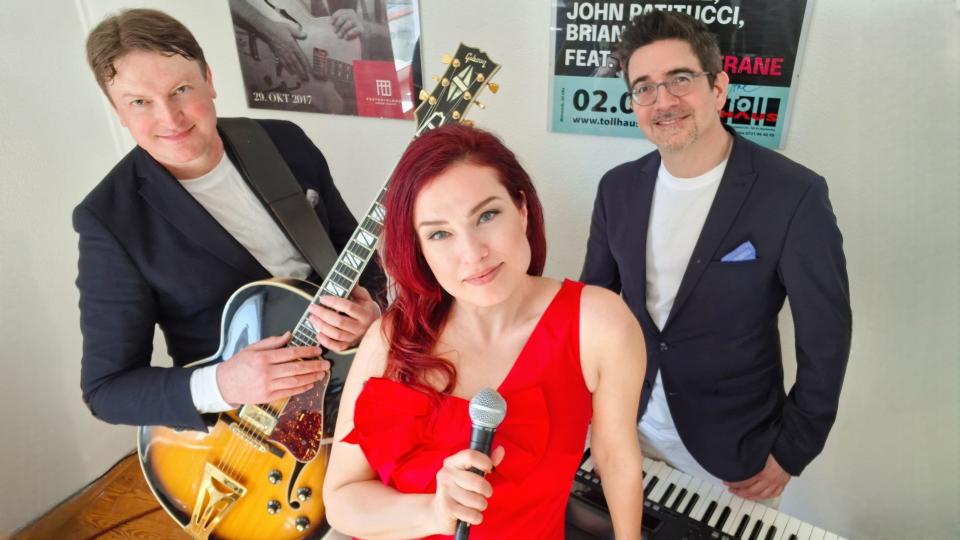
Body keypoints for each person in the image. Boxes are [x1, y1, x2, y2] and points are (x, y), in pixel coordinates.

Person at [322, 125, 646, 538]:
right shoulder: (390, 338)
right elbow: (341, 501)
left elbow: (616, 460)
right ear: (420, 249)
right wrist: (431, 512)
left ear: (522, 210)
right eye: (440, 233)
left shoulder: (600, 324)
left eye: (487, 216)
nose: (473, 253)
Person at [581, 10, 851, 502]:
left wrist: (793, 449)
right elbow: (593, 306)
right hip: (628, 425)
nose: (663, 101)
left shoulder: (793, 194)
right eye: (644, 87)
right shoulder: (616, 189)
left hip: (735, 450)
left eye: (680, 79)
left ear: (719, 88)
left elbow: (826, 335)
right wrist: (594, 415)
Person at [75, 8, 385, 431]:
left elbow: (361, 261)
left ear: (209, 80)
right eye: (140, 102)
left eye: (181, 89)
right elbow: (106, 390)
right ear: (118, 111)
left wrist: (372, 312)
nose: (170, 118)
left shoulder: (285, 142)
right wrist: (221, 384)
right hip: (242, 432)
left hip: (351, 388)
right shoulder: (109, 220)